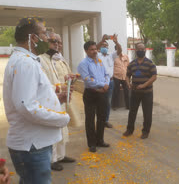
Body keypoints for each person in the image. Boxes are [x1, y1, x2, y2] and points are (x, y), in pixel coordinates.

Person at [3, 17, 70, 184]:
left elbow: (29, 98)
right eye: (44, 34)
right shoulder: (25, 63)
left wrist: (55, 98)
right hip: (32, 146)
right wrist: (61, 118)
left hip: (33, 144)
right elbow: (27, 106)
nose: (47, 38)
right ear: (33, 38)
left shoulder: (25, 60)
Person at [39, 32, 76, 171]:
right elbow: (43, 83)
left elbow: (64, 77)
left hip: (61, 99)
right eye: (53, 41)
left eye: (59, 42)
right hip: (49, 99)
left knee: (62, 128)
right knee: (52, 129)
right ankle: (52, 159)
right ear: (46, 42)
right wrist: (60, 87)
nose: (57, 44)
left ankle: (61, 156)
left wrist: (69, 79)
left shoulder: (60, 59)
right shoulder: (40, 59)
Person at [78, 41, 110, 153]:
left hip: (102, 93)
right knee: (90, 119)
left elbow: (107, 74)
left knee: (102, 117)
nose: (95, 51)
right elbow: (88, 80)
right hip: (90, 94)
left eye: (95, 49)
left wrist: (107, 85)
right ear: (86, 51)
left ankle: (100, 140)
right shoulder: (83, 64)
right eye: (92, 49)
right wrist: (102, 85)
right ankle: (92, 143)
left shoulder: (100, 61)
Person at [123, 43, 157, 139]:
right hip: (135, 92)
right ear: (135, 50)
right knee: (132, 112)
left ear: (145, 50)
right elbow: (127, 75)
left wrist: (144, 85)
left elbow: (154, 77)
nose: (141, 50)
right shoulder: (132, 64)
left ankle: (145, 131)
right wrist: (128, 83)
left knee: (147, 113)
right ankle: (129, 130)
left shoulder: (150, 63)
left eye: (142, 49)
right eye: (139, 49)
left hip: (147, 93)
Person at [97, 34, 122, 128]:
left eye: (106, 46)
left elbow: (119, 51)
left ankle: (106, 120)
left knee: (108, 102)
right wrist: (101, 40)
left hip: (110, 82)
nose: (105, 47)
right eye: (103, 46)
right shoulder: (97, 55)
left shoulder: (111, 56)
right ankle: (100, 120)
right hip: (100, 82)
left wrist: (116, 42)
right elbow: (95, 48)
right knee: (100, 102)